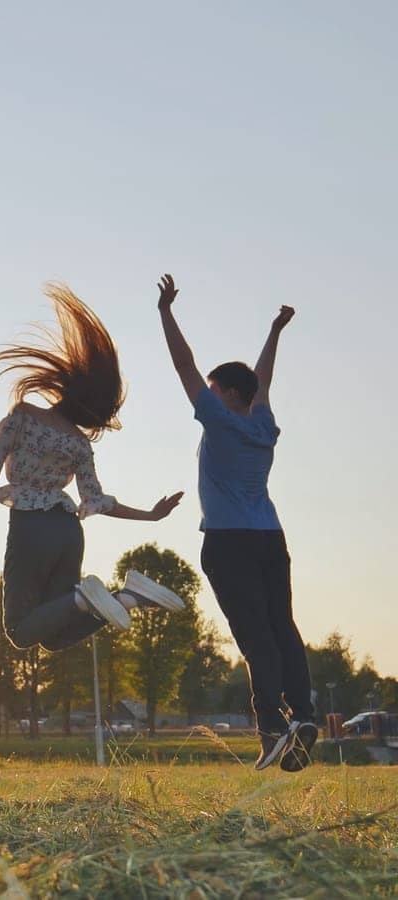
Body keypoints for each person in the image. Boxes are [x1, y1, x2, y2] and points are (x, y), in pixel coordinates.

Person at [0, 283, 188, 653]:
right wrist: (150, 516)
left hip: (31, 527)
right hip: (68, 531)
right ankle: (127, 598)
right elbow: (97, 500)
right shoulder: (79, 443)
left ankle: (84, 599)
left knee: (21, 631)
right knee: (56, 637)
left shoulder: (24, 416)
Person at [156, 273, 316, 771]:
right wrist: (276, 331)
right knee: (282, 627)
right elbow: (262, 379)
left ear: (223, 393)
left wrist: (166, 312)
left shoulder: (219, 419)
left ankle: (271, 728)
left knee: (254, 636)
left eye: (212, 388)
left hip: (228, 541)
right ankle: (304, 715)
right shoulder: (263, 424)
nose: (206, 392)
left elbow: (184, 365)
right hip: (271, 536)